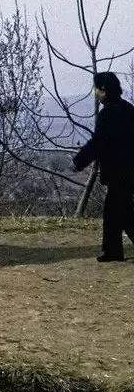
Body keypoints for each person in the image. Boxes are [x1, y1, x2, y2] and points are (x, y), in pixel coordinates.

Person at [73, 72, 134, 262]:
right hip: (129, 168)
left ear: (103, 90)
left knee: (121, 213)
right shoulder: (128, 108)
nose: (95, 92)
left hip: (119, 170)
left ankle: (113, 251)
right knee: (116, 211)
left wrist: (79, 161)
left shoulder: (107, 114)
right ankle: (112, 251)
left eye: (97, 89)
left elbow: (98, 143)